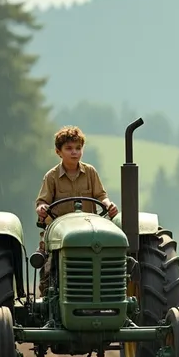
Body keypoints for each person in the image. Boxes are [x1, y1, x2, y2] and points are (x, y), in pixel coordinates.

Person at [35, 125, 118, 294]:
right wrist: (42, 208)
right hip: (59, 232)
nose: (74, 152)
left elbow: (101, 195)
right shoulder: (51, 177)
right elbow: (42, 202)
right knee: (49, 265)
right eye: (69, 148)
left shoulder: (90, 173)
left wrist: (108, 204)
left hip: (89, 229)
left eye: (78, 148)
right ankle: (48, 295)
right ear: (58, 152)